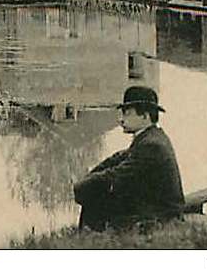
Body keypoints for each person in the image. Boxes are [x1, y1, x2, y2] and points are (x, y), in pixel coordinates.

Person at [73, 85, 184, 231]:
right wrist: (89, 178)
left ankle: (89, 241)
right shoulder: (151, 137)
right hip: (154, 207)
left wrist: (82, 186)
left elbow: (117, 174)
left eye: (126, 113)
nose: (121, 120)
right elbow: (118, 159)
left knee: (96, 197)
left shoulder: (151, 145)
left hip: (161, 215)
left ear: (145, 116)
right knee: (97, 190)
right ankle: (88, 238)